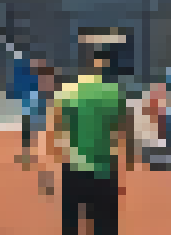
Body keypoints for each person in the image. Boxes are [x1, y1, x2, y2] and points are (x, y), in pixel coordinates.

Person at [51, 46, 134, 235]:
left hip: (73, 167)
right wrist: (124, 174)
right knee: (105, 226)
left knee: (71, 225)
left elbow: (57, 130)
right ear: (104, 66)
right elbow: (123, 135)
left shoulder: (68, 91)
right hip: (104, 170)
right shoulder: (114, 93)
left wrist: (56, 164)